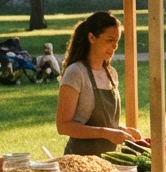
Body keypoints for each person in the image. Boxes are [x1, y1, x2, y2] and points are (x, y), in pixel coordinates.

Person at [55, 11, 142, 155]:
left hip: (108, 159)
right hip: (80, 161)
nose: (115, 47)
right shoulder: (75, 73)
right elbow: (63, 126)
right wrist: (106, 133)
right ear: (91, 38)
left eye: (117, 41)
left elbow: (104, 124)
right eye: (109, 40)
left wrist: (120, 130)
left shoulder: (111, 73)